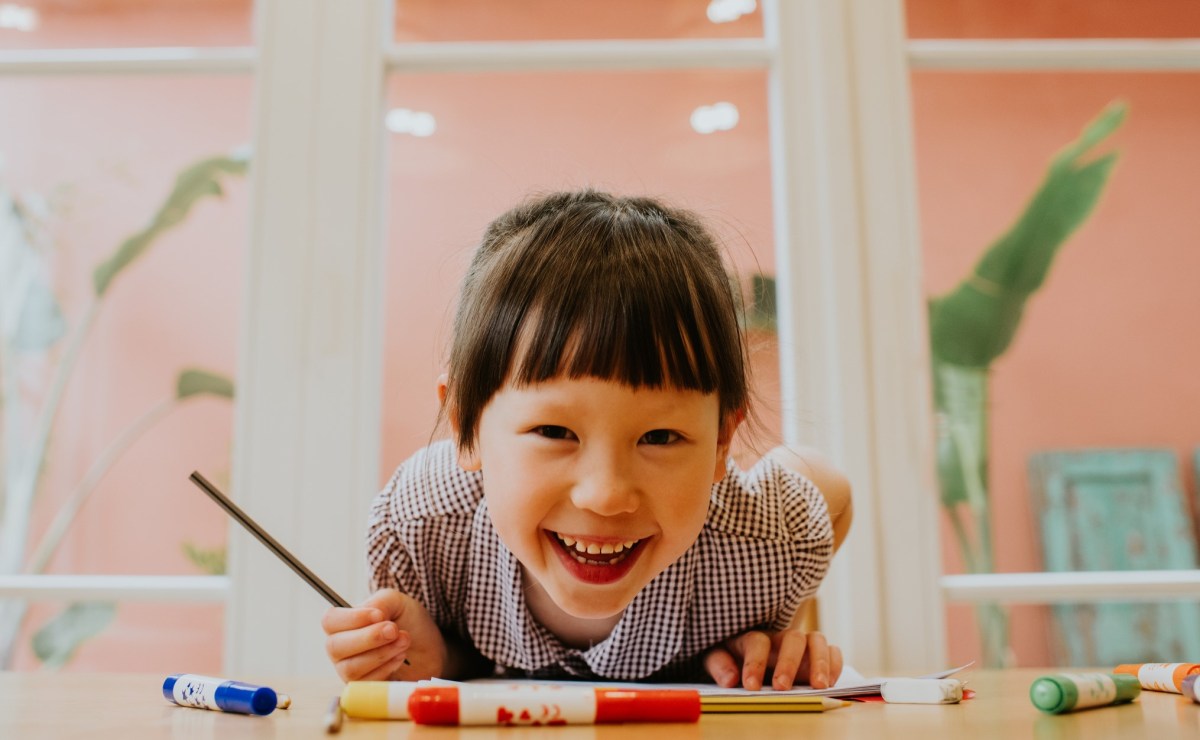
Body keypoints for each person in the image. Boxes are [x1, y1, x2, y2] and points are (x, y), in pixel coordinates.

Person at [322, 190, 853, 690]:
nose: (605, 494)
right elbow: (475, 662)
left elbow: (827, 486)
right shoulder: (422, 527)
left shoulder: (763, 542)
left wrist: (774, 633)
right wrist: (440, 655)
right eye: (554, 432)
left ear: (721, 442)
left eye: (661, 436)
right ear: (465, 427)